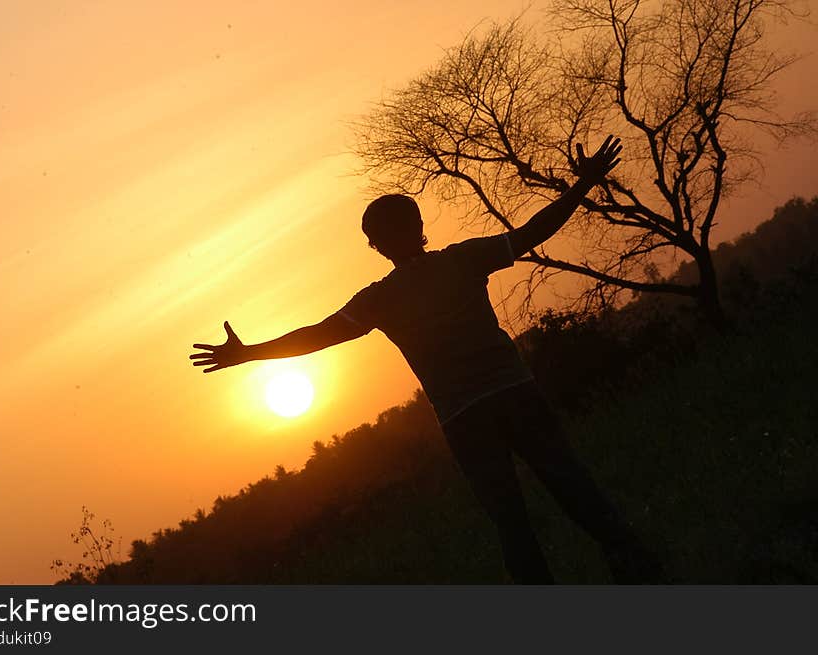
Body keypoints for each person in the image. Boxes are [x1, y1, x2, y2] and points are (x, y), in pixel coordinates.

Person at [190, 136, 664, 583]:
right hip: (513, 395)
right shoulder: (461, 259)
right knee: (573, 490)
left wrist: (249, 354)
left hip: (465, 417)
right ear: (418, 228)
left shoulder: (381, 298)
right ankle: (640, 572)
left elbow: (316, 337)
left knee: (512, 523)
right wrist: (581, 184)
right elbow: (530, 233)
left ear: (375, 245)